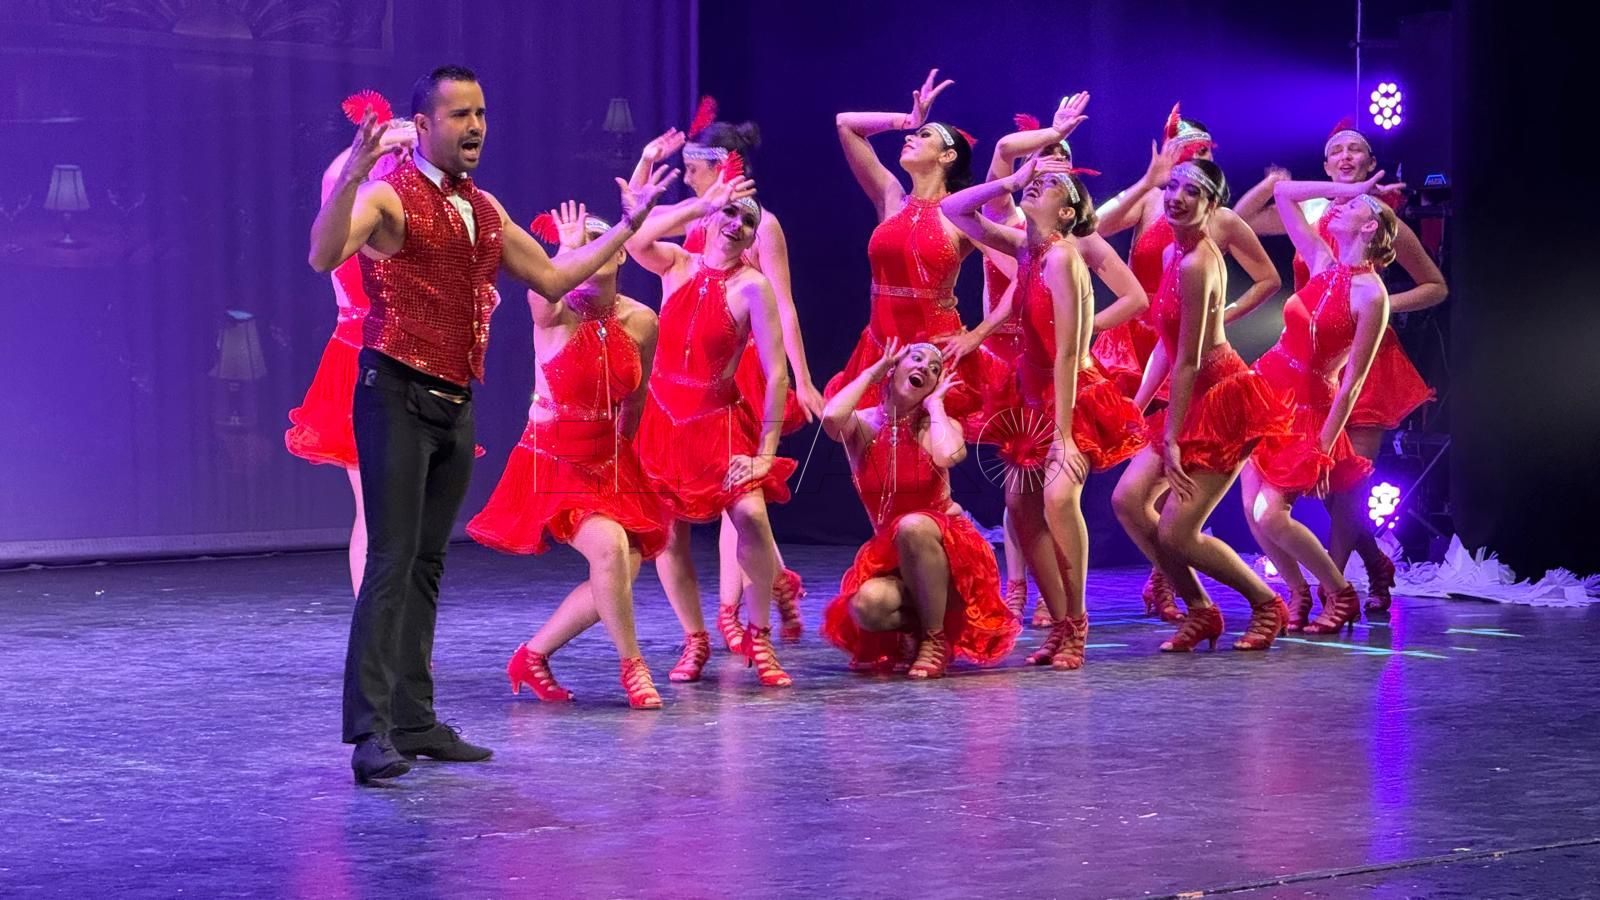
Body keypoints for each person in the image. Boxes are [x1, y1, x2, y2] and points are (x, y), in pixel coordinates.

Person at [307, 65, 674, 783]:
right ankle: (369, 731)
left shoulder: (484, 207)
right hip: (394, 391)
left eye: (482, 113)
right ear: (425, 125)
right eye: (459, 115)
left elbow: (555, 279)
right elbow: (323, 253)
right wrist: (353, 168)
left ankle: (415, 720)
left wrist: (628, 227)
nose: (475, 127)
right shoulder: (387, 194)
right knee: (390, 559)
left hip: (453, 399)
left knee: (428, 563)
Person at [1233, 121, 1447, 616]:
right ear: (1328, 168)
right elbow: (1241, 220)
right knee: (1320, 493)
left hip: (1362, 356)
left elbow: (1435, 286)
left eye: (1357, 150)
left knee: (1345, 489)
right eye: (1337, 151)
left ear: (1370, 165)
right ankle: (1371, 565)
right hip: (1305, 353)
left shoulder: (1377, 220)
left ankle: (1335, 590)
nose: (1347, 155)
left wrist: (1378, 306)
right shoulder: (1319, 222)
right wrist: (1277, 185)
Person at [943, 155, 1147, 669]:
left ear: (1067, 213)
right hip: (1029, 395)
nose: (1037, 187)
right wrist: (1010, 179)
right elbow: (953, 207)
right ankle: (1058, 621)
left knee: (1058, 498)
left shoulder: (1062, 258)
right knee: (1019, 508)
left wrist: (1063, 436)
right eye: (1035, 182)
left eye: (1051, 185)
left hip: (1067, 396)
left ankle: (1076, 621)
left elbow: (1065, 354)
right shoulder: (1027, 248)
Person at [467, 203, 670, 708]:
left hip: (609, 459)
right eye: (583, 242)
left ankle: (532, 656)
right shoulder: (557, 310)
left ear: (621, 251)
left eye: (600, 239)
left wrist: (626, 456)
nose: (590, 248)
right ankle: (634, 668)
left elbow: (636, 397)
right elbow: (545, 289)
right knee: (608, 550)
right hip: (554, 459)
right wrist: (566, 248)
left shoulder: (642, 321)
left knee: (625, 565)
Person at [1108, 159, 1292, 653]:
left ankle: (1264, 603)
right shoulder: (1173, 250)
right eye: (1172, 187)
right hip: (1188, 392)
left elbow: (1189, 360)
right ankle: (1199, 610)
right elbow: (1168, 345)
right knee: (1128, 502)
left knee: (1179, 532)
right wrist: (1138, 403)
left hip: (1221, 399)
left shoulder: (1195, 262)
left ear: (1211, 205)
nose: (1176, 198)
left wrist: (1169, 434)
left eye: (1192, 192)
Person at [626, 169, 798, 687]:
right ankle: (694, 638)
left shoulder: (753, 288)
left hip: (717, 424)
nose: (737, 224)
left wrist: (766, 452)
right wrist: (699, 207)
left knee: (752, 516)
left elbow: (775, 375)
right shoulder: (677, 264)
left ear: (753, 238)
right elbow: (635, 237)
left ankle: (760, 634)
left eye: (749, 220)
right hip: (662, 422)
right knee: (668, 536)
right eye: (730, 212)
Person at [1240, 174, 1397, 633]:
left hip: (1308, 405)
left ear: (1369, 228)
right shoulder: (1321, 258)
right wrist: (1347, 190)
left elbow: (1352, 381)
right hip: (1267, 388)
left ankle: (1340, 592)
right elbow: (1284, 194)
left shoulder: (1372, 295)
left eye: (1352, 208)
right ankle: (1298, 591)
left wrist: (1324, 444)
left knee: (1273, 512)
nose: (1339, 207)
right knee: (1252, 508)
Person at [820, 340, 1019, 676]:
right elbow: (831, 416)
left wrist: (937, 406)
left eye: (934, 369)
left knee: (912, 525)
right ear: (894, 369)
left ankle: (934, 638)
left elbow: (949, 455)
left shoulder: (934, 425)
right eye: (916, 359)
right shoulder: (864, 425)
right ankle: (926, 622)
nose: (925, 368)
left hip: (948, 553)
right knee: (868, 607)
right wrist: (872, 371)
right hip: (891, 555)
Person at [286, 89, 415, 595]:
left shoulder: (405, 222)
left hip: (415, 361)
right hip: (361, 362)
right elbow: (338, 177)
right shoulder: (343, 218)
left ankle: (400, 626)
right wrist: (381, 142)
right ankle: (376, 625)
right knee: (377, 509)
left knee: (407, 513)